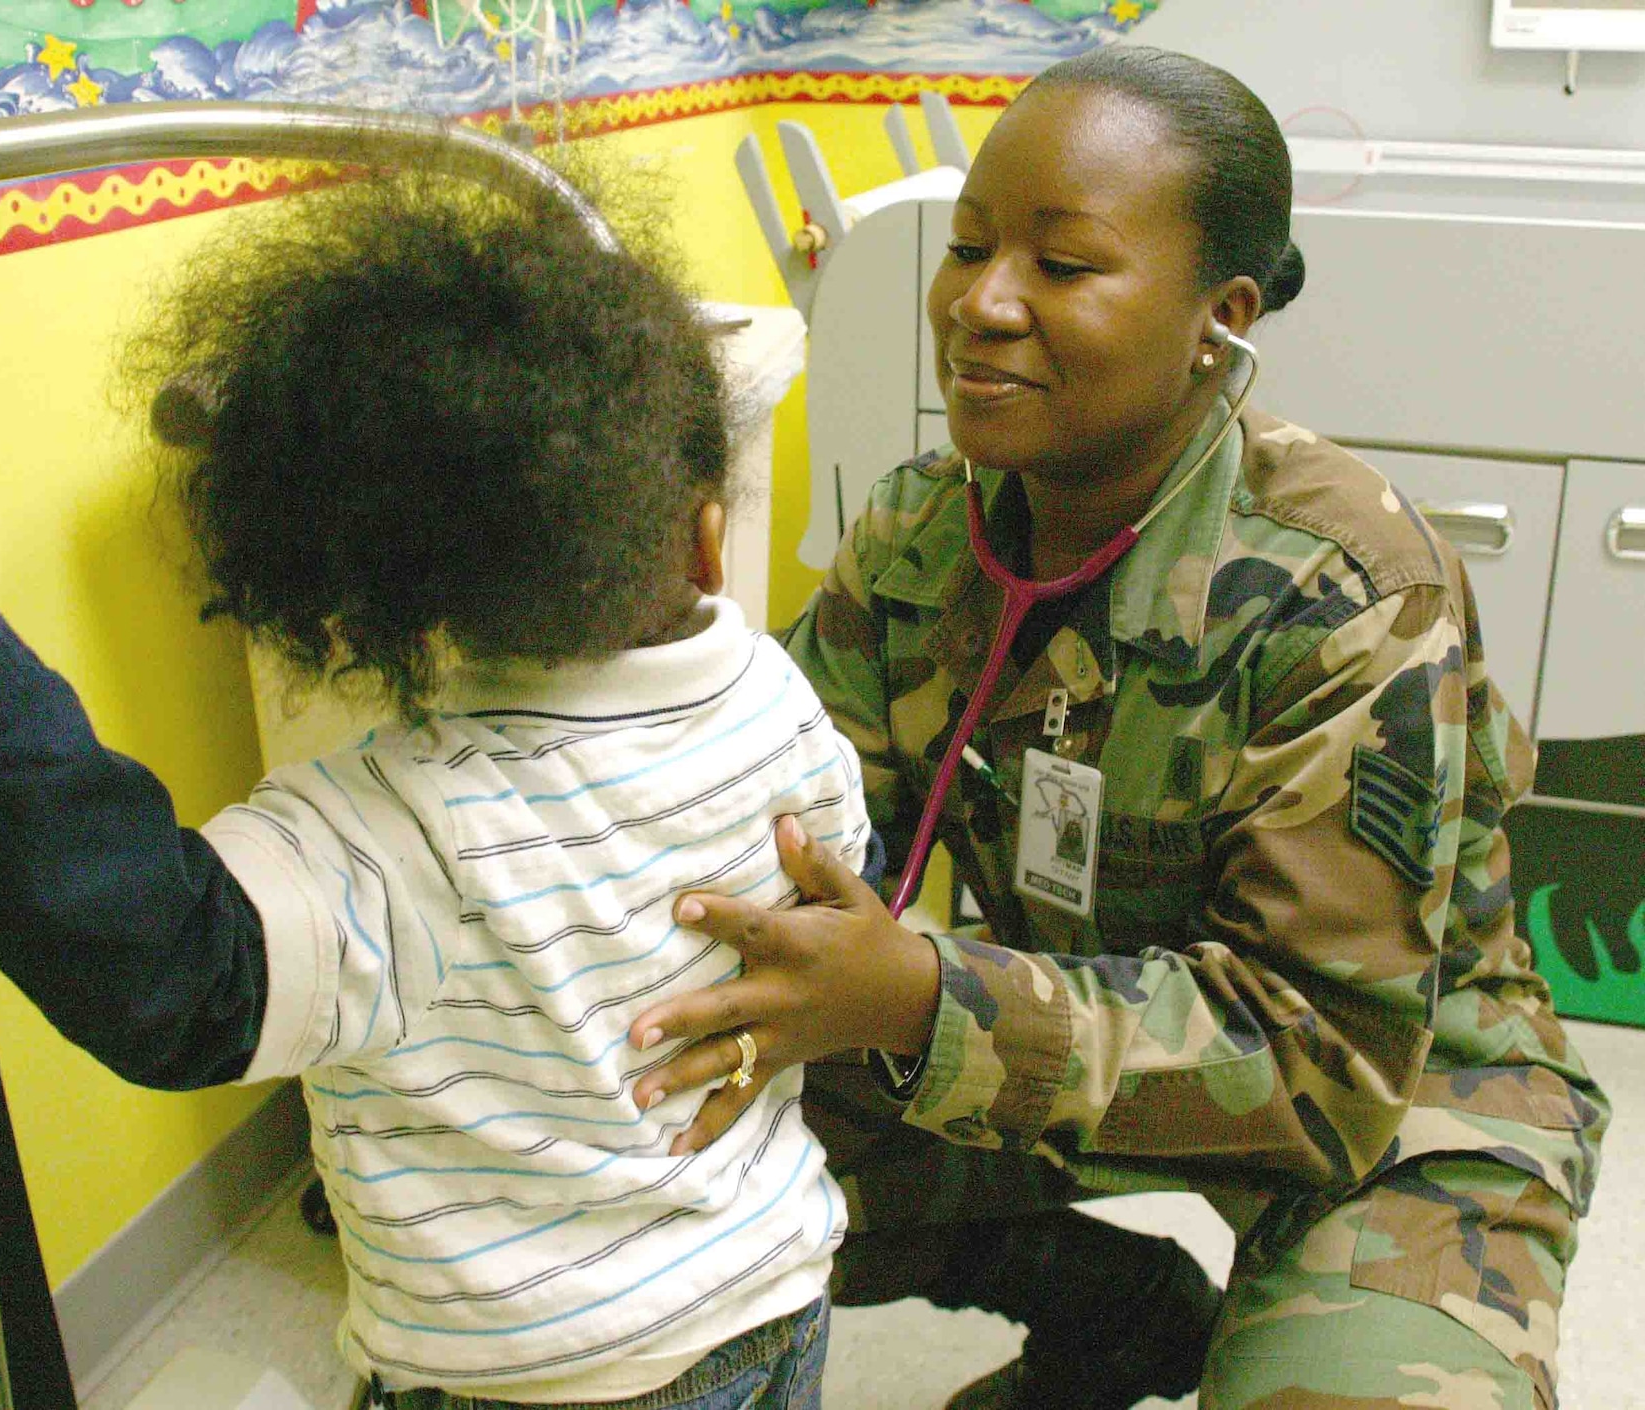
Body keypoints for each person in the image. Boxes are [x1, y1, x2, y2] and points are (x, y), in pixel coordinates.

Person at [0, 172, 871, 1409]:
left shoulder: (398, 832)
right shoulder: (781, 703)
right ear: (709, 537)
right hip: (774, 1296)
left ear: (386, 594)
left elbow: (167, 969)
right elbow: (833, 903)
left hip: (544, 1375)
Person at [621, 46, 1607, 1410]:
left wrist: (921, 996)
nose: (983, 303)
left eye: (1064, 267)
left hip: (1388, 1100)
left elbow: (1320, 1060)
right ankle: (1120, 1313)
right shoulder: (922, 530)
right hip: (1051, 1029)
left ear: (1223, 314)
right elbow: (784, 841)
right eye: (967, 248)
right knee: (645, 1155)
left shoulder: (1353, 590)